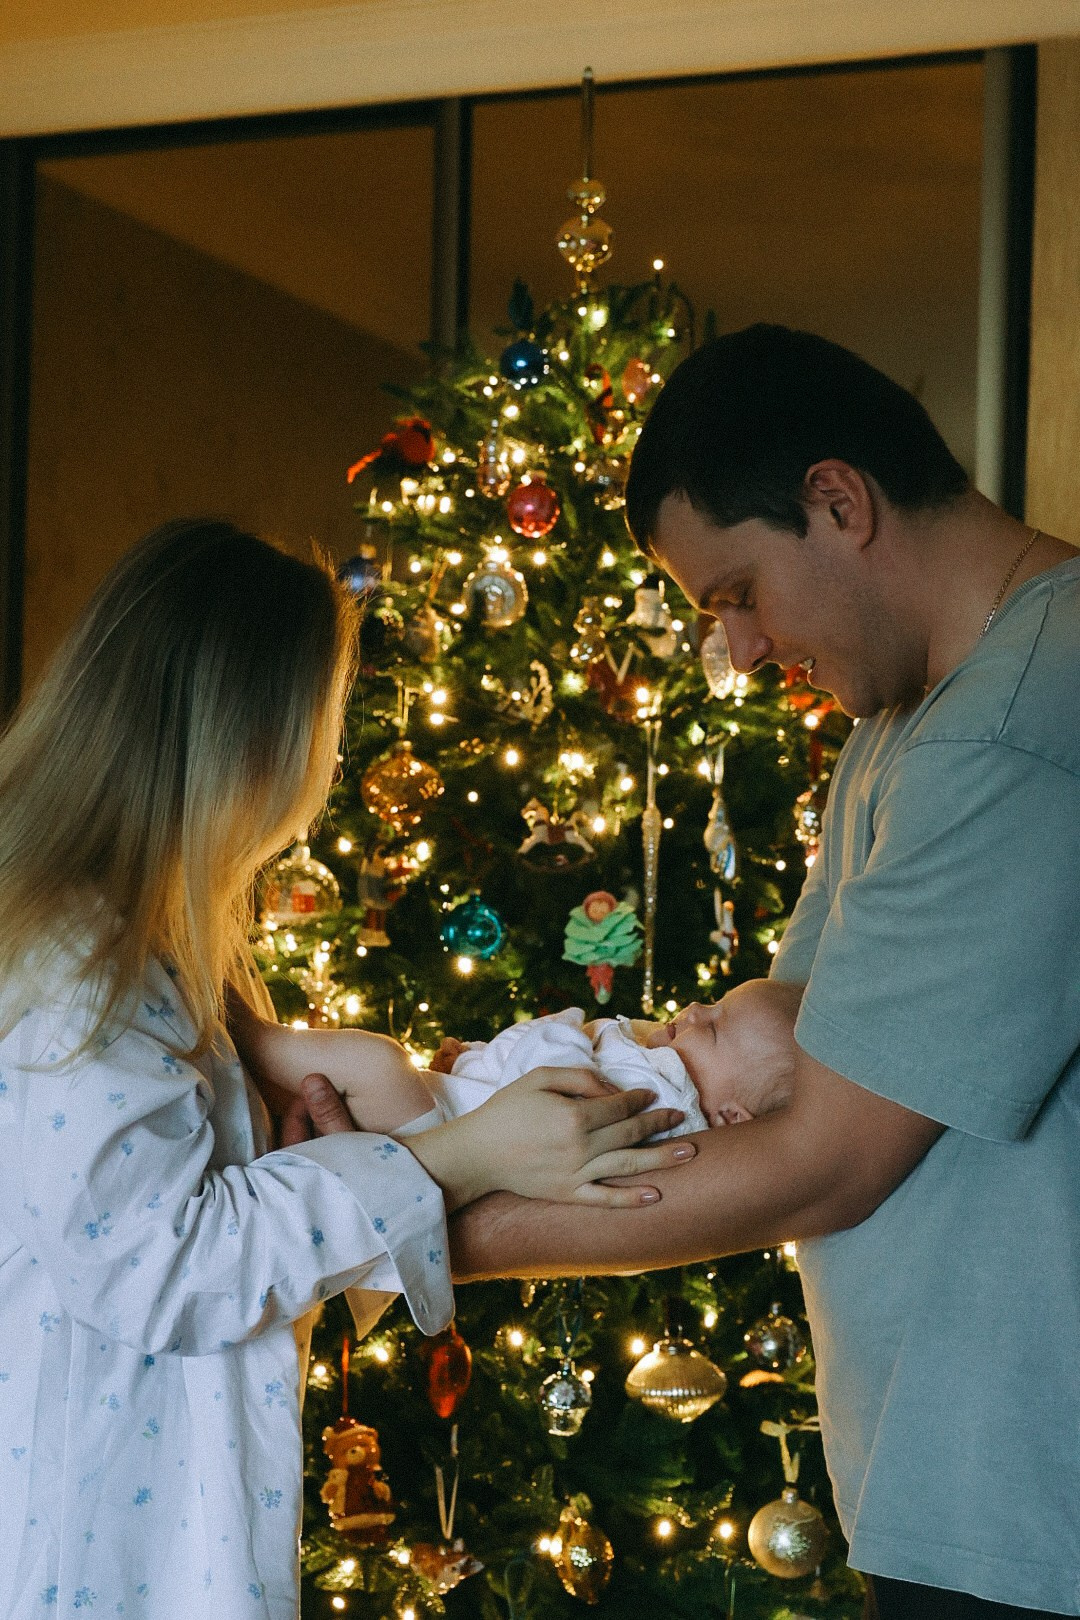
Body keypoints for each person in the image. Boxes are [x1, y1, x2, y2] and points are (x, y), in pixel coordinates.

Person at [442, 327, 1080, 1619]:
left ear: (838, 503)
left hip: (1029, 1503)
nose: (734, 651)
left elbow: (824, 1159)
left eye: (734, 592)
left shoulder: (1016, 729)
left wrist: (404, 1230)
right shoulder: (915, 718)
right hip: (956, 1484)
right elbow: (781, 1080)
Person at [0, 519, 692, 1620]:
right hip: (99, 1547)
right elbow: (154, 1264)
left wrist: (293, 1085)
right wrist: (455, 1153)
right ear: (256, 745)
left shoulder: (145, 949)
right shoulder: (81, 966)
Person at [275, 978, 799, 1139]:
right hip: (444, 1105)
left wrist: (566, 1026)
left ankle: (252, 1035)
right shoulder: (655, 1061)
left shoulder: (665, 1100)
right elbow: (513, 1069)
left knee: (374, 1061)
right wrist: (470, 1058)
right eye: (712, 1002)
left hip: (436, 1131)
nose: (693, 1008)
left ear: (731, 1116)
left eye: (712, 1025)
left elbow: (550, 1089)